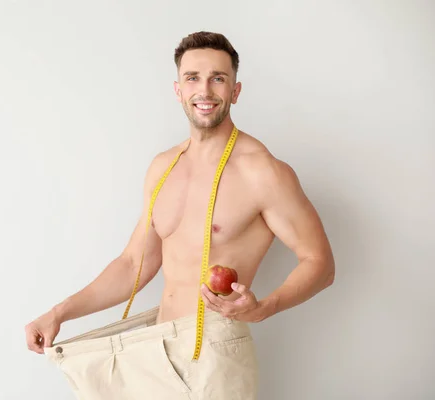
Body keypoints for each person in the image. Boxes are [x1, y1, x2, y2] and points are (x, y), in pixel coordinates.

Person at [25, 31, 335, 400]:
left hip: (215, 354)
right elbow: (132, 265)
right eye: (193, 78)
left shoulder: (263, 171)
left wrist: (264, 308)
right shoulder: (163, 167)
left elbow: (320, 263)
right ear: (178, 90)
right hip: (154, 349)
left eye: (218, 78)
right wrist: (59, 312)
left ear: (235, 91)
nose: (205, 90)